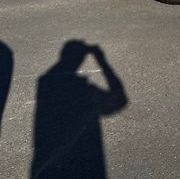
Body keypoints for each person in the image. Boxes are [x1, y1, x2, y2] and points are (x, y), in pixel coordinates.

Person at [31, 41, 127, 179]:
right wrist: (101, 60)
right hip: (79, 155)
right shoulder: (82, 88)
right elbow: (119, 100)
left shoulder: (44, 81)